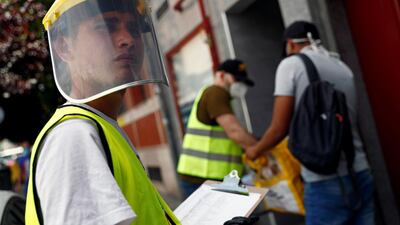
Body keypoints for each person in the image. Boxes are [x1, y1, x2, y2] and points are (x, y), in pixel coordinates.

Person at [25, 0, 181, 224]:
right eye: (107, 27)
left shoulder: (99, 125)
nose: (127, 40)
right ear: (64, 47)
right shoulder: (73, 137)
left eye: (134, 29)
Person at [246, 21, 374, 225]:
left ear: (290, 44)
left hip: (324, 179)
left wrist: (255, 150)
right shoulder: (341, 65)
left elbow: (279, 128)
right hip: (360, 170)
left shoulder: (291, 64)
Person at [177, 59, 257, 198]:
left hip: (208, 178)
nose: (239, 84)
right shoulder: (216, 93)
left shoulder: (219, 95)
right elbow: (235, 132)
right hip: (204, 179)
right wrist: (263, 149)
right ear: (221, 75)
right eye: (236, 79)